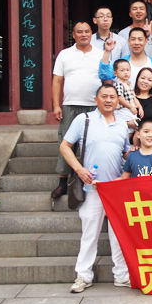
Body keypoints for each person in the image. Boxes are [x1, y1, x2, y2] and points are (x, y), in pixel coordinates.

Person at [60, 85, 131, 293]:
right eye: (104, 96)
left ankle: (121, 275)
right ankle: (83, 275)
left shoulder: (122, 125)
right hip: (91, 187)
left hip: (115, 188)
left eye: (112, 97)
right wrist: (79, 169)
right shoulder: (84, 120)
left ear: (118, 101)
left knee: (118, 234)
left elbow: (125, 153)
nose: (108, 100)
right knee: (90, 233)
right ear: (96, 99)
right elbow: (65, 146)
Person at [51, 21, 104, 199]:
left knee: (94, 143)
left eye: (87, 31)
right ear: (73, 35)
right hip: (70, 105)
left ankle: (94, 179)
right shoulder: (64, 54)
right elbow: (57, 81)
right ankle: (62, 182)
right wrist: (56, 105)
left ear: (91, 33)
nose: (83, 35)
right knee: (67, 141)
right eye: (79, 32)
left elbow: (107, 79)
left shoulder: (100, 53)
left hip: (95, 106)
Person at [112, 59, 141, 127]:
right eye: (122, 70)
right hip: (123, 109)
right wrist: (131, 107)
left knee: (134, 126)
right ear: (115, 73)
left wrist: (140, 107)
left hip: (130, 109)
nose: (126, 72)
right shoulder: (119, 84)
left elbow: (134, 97)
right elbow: (119, 98)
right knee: (127, 127)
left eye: (128, 70)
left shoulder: (128, 84)